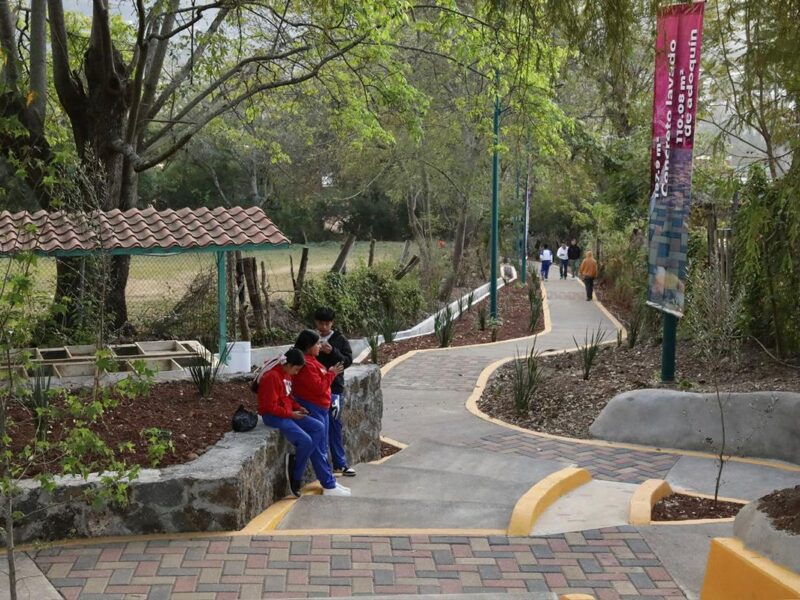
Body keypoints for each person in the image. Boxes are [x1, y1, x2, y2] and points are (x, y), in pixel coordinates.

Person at [257, 348, 348, 498]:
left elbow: (287, 397)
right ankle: (295, 476)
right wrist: (291, 414)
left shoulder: (286, 374)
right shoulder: (272, 377)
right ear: (289, 365)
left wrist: (298, 408)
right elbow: (268, 407)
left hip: (287, 413)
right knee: (306, 440)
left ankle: (297, 462)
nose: (297, 373)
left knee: (318, 427)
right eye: (297, 369)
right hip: (274, 416)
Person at [292, 330, 351, 496]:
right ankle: (328, 483)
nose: (320, 346)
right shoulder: (306, 365)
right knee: (319, 449)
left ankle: (329, 480)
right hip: (312, 408)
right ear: (309, 347)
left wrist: (330, 372)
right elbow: (318, 387)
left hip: (321, 408)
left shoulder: (312, 361)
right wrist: (331, 373)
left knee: (323, 446)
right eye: (317, 344)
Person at [314, 307, 356, 477]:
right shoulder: (311, 338)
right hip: (315, 388)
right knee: (320, 427)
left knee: (334, 425)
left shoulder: (339, 339)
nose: (324, 327)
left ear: (332, 323)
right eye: (321, 323)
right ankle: (323, 467)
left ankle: (340, 463)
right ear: (315, 322)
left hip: (334, 389)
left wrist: (333, 352)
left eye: (327, 323)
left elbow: (347, 361)